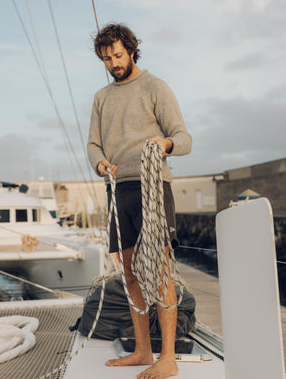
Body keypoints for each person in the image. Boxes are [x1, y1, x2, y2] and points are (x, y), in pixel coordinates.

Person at [87, 23, 192, 379]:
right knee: (130, 272)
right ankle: (142, 350)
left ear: (131, 50)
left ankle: (168, 357)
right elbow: (93, 144)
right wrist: (100, 162)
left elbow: (183, 136)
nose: (113, 63)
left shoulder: (154, 87)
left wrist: (164, 145)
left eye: (117, 55)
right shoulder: (102, 98)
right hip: (118, 189)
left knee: (159, 270)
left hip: (153, 187)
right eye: (106, 59)